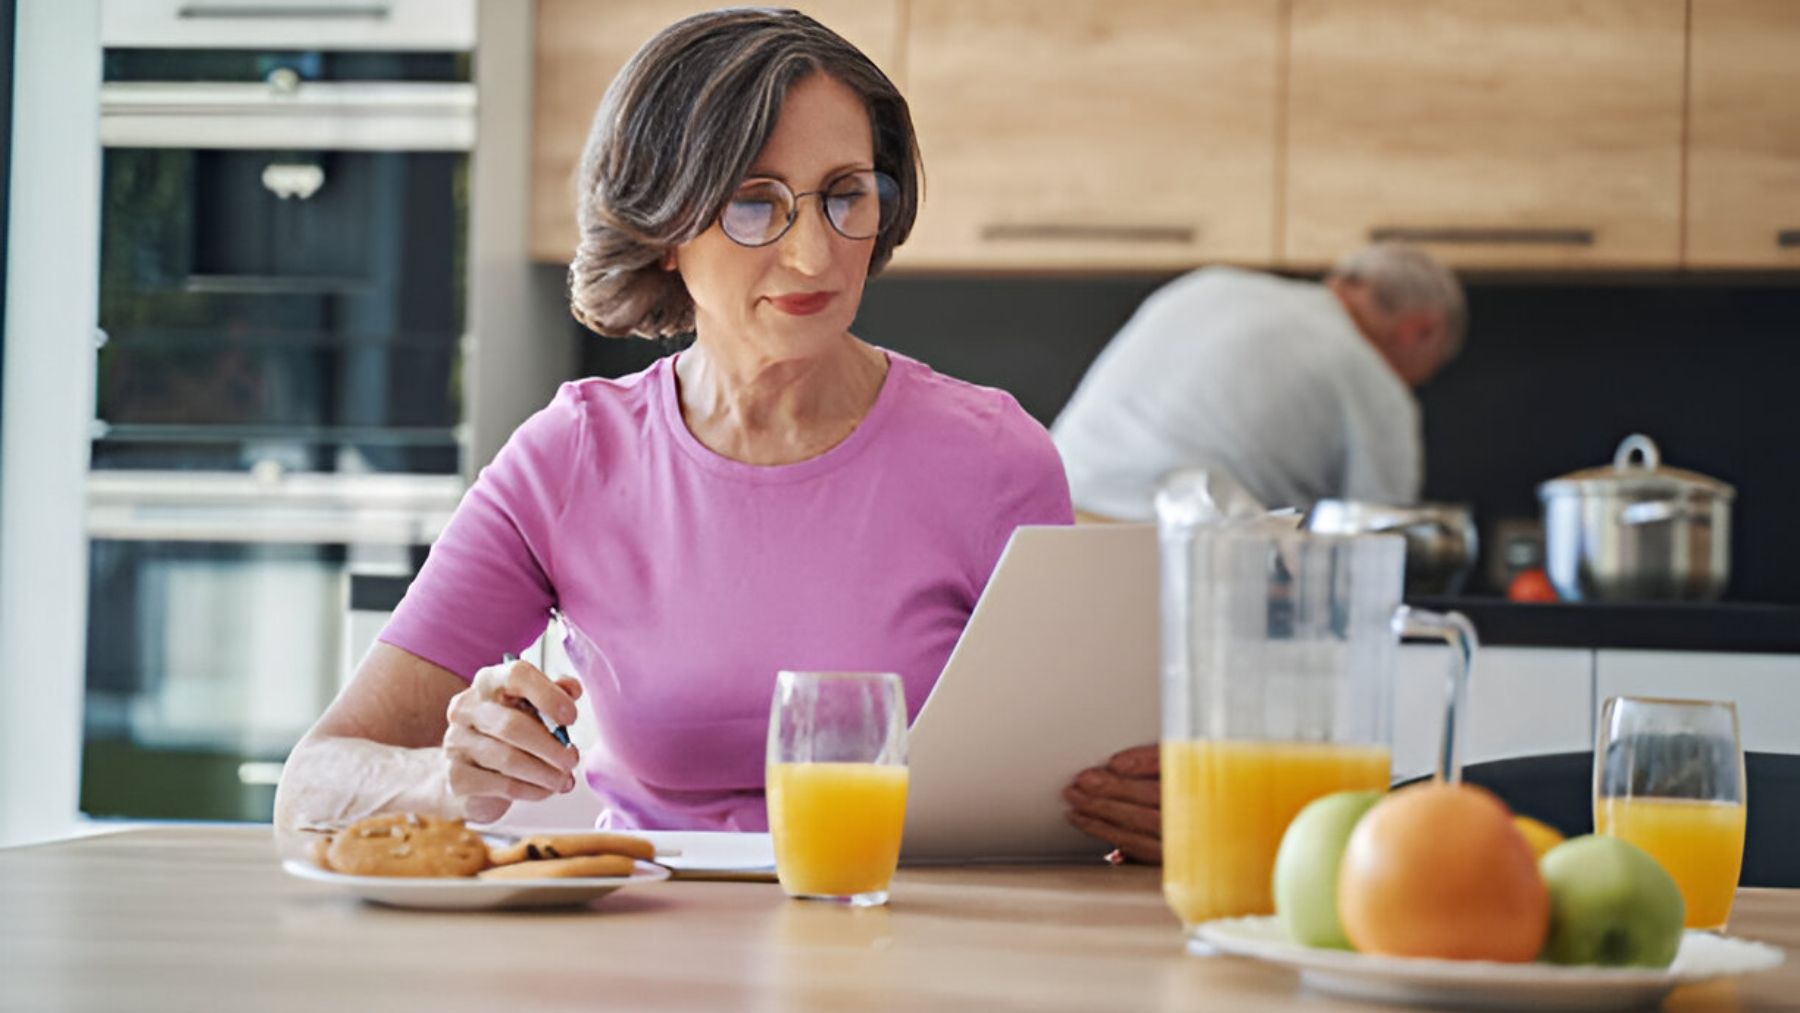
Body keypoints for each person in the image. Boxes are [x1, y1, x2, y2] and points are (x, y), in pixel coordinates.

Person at [274, 9, 1071, 833]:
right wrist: (451, 780)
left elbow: (1071, 793)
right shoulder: (572, 457)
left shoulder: (995, 460)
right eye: (752, 203)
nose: (814, 255)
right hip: (645, 941)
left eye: (844, 195)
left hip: (902, 937)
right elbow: (313, 784)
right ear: (663, 231)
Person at [1050, 245, 1466, 521]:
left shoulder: (1211, 284)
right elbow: (1378, 536)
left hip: (1051, 521)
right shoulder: (1372, 377)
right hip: (1175, 551)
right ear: (1420, 331)